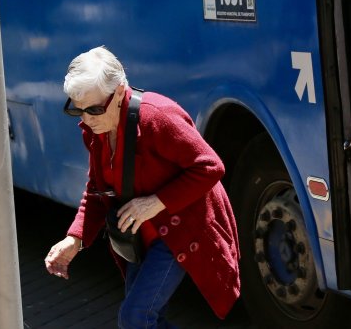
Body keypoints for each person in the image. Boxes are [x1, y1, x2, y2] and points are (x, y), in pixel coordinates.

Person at [44, 46, 240, 328]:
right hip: (139, 234)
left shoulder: (157, 116)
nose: (86, 119)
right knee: (147, 318)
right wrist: (73, 240)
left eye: (95, 109)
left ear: (121, 92)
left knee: (135, 317)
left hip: (181, 227)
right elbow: (97, 189)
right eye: (77, 109)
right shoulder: (95, 130)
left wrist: (155, 202)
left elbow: (211, 166)